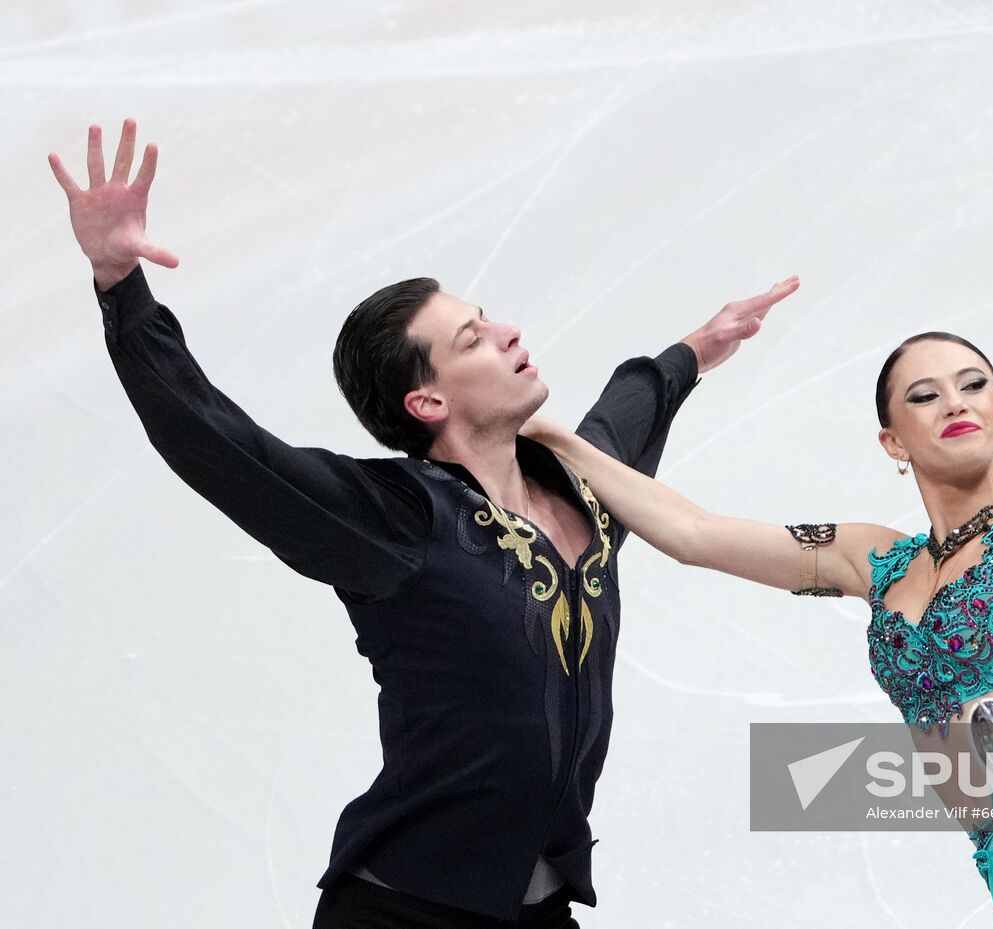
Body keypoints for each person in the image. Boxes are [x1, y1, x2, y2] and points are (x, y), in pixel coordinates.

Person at [48, 118, 799, 928]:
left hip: (537, 911)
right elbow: (224, 445)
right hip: (403, 911)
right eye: (472, 337)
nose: (508, 330)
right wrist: (119, 282)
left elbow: (624, 414)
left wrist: (695, 349)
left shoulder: (583, 484)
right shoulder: (400, 521)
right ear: (428, 401)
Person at [522, 152, 993, 927]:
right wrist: (553, 435)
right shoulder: (875, 561)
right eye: (923, 397)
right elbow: (693, 533)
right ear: (893, 441)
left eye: (973, 387)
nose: (953, 403)